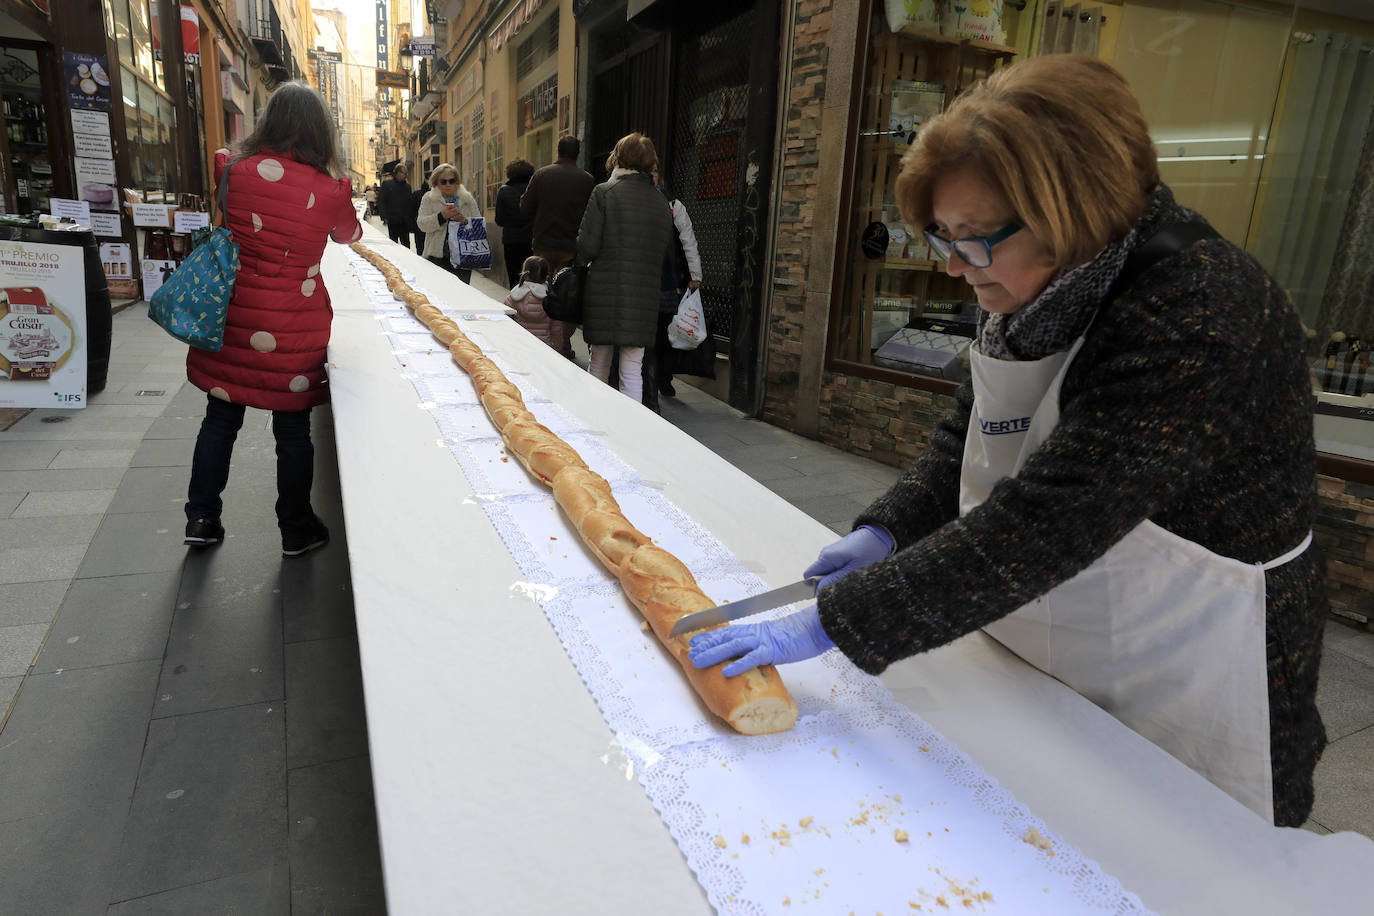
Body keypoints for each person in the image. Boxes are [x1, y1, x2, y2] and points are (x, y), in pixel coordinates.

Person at [690, 54, 1327, 828]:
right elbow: (974, 432)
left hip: (1197, 647)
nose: (955, 266)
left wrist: (844, 618)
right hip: (1078, 620)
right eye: (941, 236)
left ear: (1074, 214)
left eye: (974, 239)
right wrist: (889, 527)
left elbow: (1052, 518)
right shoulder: (1028, 293)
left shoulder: (1203, 311)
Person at [183, 80, 362, 558]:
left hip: (233, 315)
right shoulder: (332, 190)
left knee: (220, 419)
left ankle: (201, 517)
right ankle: (295, 528)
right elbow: (349, 235)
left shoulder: (233, 169)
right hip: (294, 325)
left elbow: (226, 212)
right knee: (292, 431)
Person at [575, 132, 674, 404]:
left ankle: (594, 423)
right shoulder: (661, 202)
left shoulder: (605, 192)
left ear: (619, 158)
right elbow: (662, 248)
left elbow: (588, 247)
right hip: (642, 298)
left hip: (605, 293)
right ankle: (630, 434)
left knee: (599, 364)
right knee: (632, 372)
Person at [521, 136, 595, 357]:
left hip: (543, 245)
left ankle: (540, 337)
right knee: (567, 297)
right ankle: (563, 344)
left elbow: (525, 207)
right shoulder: (587, 180)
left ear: (558, 151)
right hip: (571, 249)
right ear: (577, 154)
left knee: (541, 292)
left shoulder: (541, 175)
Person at [652, 166, 701, 401]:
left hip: (667, 278)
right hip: (646, 278)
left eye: (654, 171)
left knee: (663, 333)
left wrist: (695, 274)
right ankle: (650, 378)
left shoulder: (674, 205)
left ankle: (663, 377)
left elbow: (688, 240)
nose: (651, 175)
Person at [415, 162, 481, 284]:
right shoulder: (428, 198)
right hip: (436, 256)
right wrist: (441, 217)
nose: (448, 185)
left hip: (462, 256)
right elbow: (421, 224)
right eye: (443, 181)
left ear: (457, 182)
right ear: (436, 183)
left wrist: (464, 220)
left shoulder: (467, 199)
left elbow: (479, 226)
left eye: (452, 181)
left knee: (460, 294)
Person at [503, 255, 563, 353]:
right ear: (547, 276)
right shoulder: (551, 299)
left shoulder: (514, 296)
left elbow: (506, 321)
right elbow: (557, 329)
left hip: (519, 345)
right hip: (545, 348)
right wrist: (557, 350)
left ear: (525, 272)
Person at [495, 158, 536, 288]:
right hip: (532, 239)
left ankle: (517, 301)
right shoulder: (535, 189)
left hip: (511, 241)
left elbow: (499, 220)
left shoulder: (504, 190)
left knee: (514, 276)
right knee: (533, 275)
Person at [378, 164, 412, 248]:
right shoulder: (387, 184)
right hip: (392, 220)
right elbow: (381, 201)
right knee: (393, 244)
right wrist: (384, 217)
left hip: (404, 222)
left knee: (406, 245)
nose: (406, 175)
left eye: (406, 173)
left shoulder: (408, 187)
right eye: (404, 173)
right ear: (397, 173)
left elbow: (409, 204)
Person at [408, 179, 429, 254]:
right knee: (420, 249)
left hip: (428, 226)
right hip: (419, 225)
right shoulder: (417, 194)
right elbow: (411, 211)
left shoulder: (436, 194)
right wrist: (412, 226)